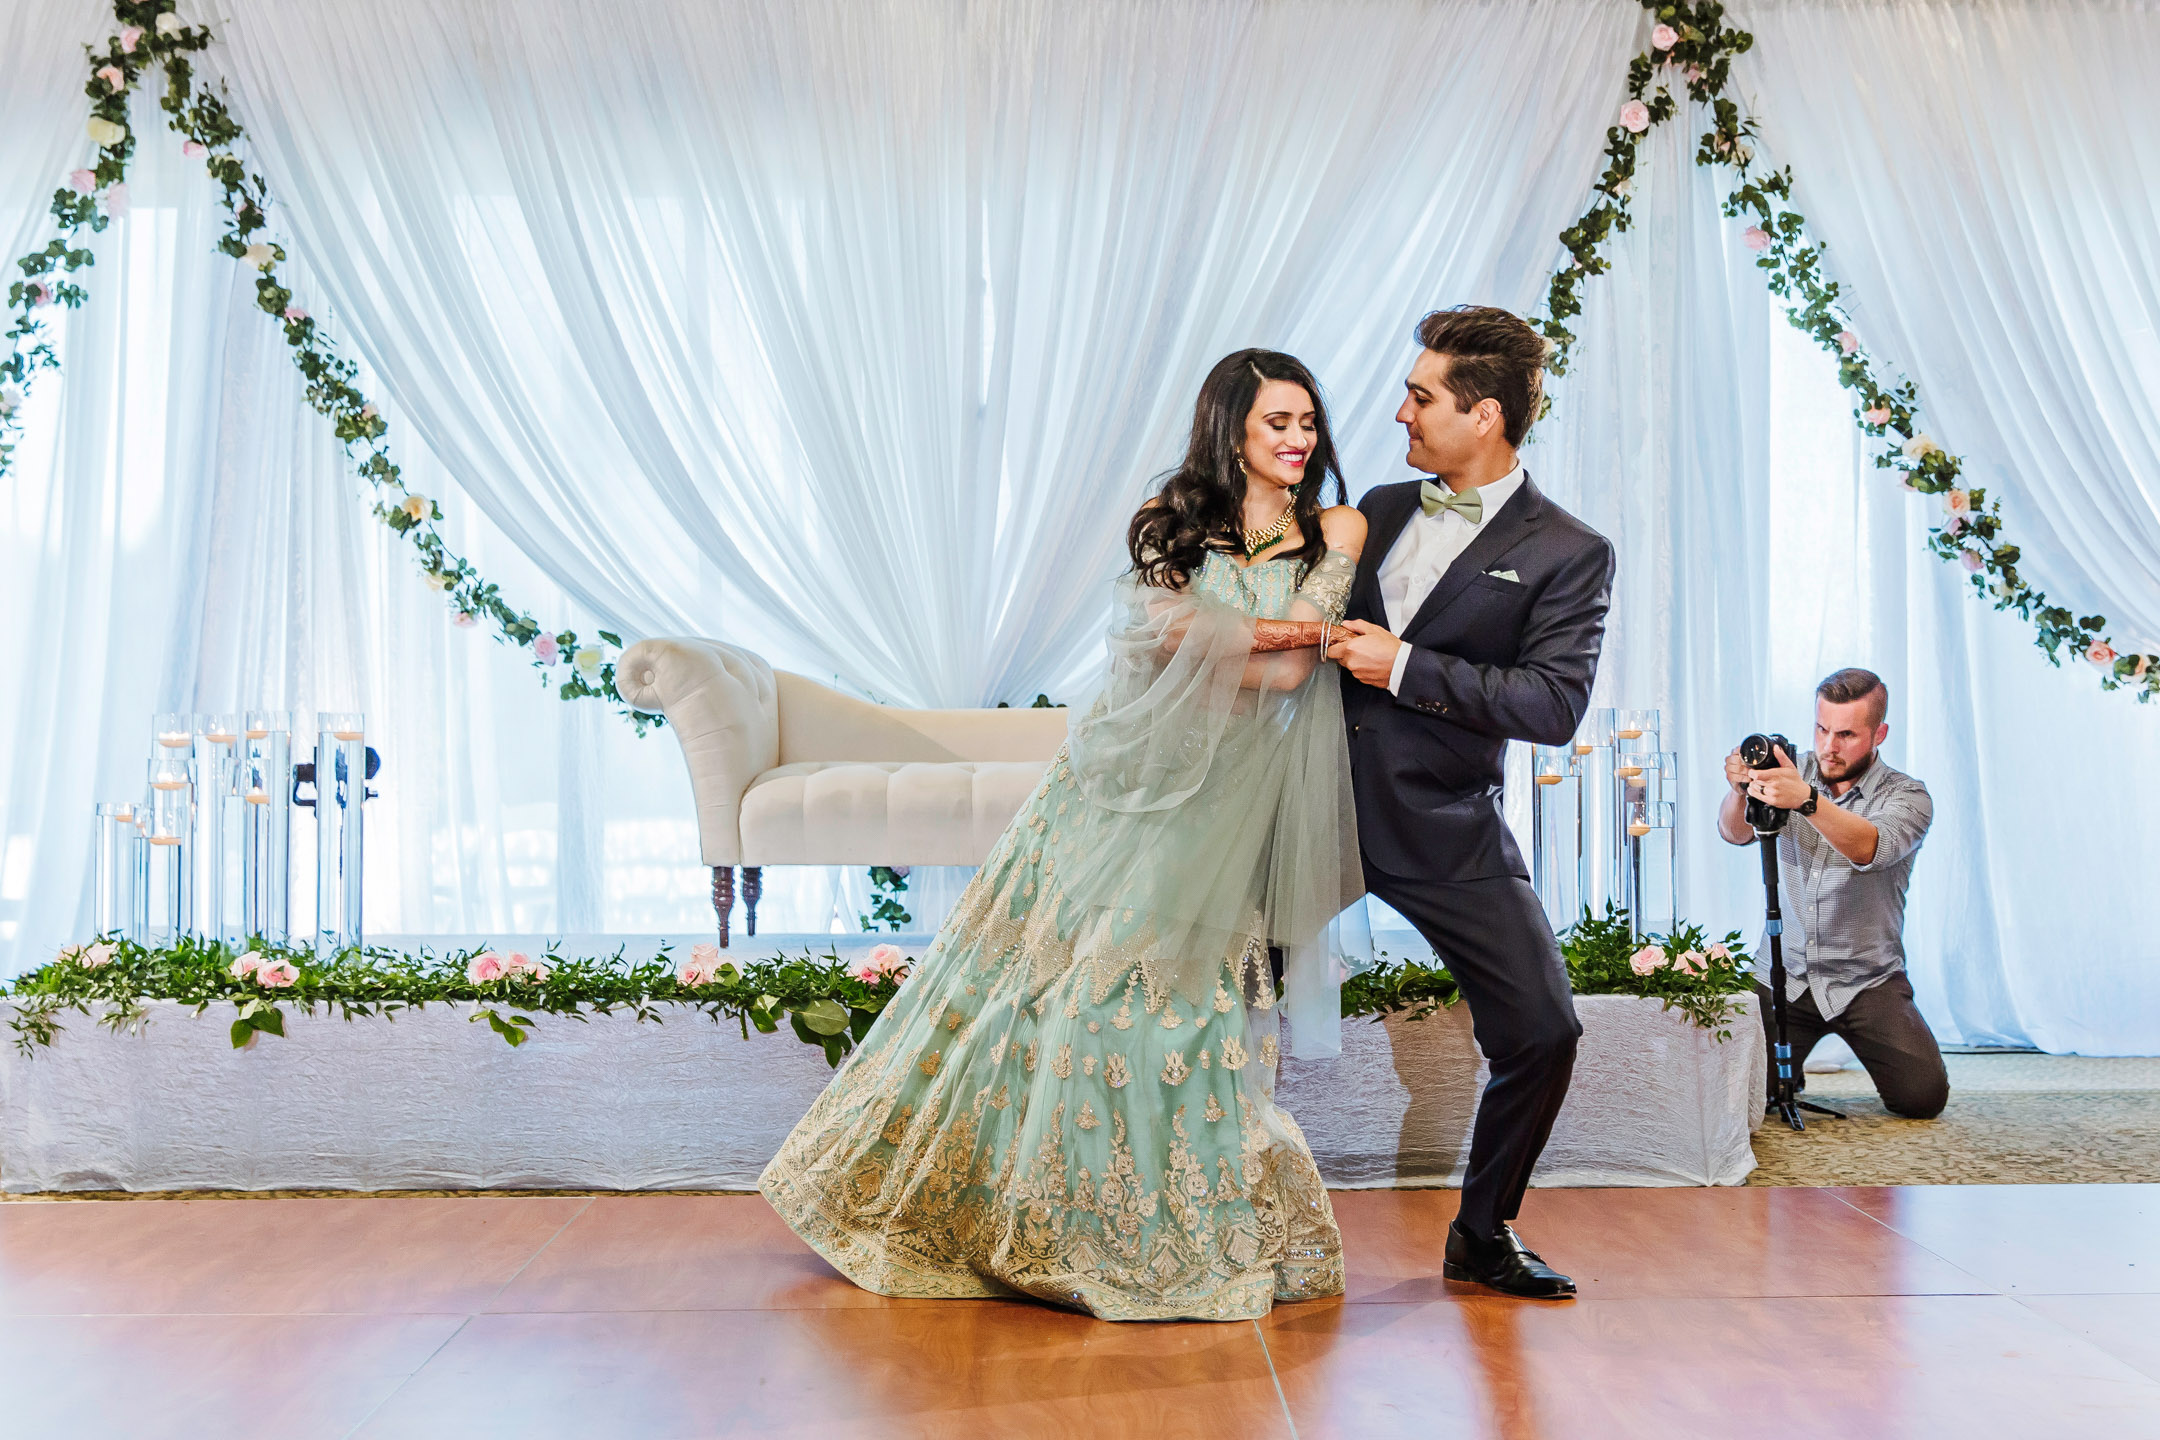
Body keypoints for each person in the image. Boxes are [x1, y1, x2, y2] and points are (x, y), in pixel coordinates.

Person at [762, 349, 1368, 1321]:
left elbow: (1283, 676)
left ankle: (1185, 1228)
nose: (1299, 441)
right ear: (1231, 430)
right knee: (1057, 994)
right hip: (1117, 788)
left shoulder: (1328, 530)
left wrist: (1259, 619)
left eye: (1307, 423)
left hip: (1224, 805)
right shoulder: (1171, 523)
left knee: (1185, 1005)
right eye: (1277, 424)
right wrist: (1273, 630)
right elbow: (1160, 641)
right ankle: (1046, 1219)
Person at [1326, 305, 1614, 1300]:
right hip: (1308, 810)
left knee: (1542, 1031)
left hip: (1440, 821)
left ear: (1483, 415)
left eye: (1420, 396)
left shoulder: (1570, 552)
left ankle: (1482, 1233)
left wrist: (1404, 664)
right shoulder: (1379, 506)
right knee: (1183, 988)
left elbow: (1551, 703)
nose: (1399, 413)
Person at [1717, 667, 1948, 1119]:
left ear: (1878, 733)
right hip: (1786, 973)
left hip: (1867, 980)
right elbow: (1734, 834)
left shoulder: (1908, 795)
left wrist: (1805, 800)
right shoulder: (1791, 769)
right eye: (1822, 729)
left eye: (1846, 734)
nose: (1828, 746)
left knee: (1922, 1099)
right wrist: (1739, 790)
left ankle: (1798, 1062)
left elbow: (1868, 847)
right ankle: (1788, 1070)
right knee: (1739, 1098)